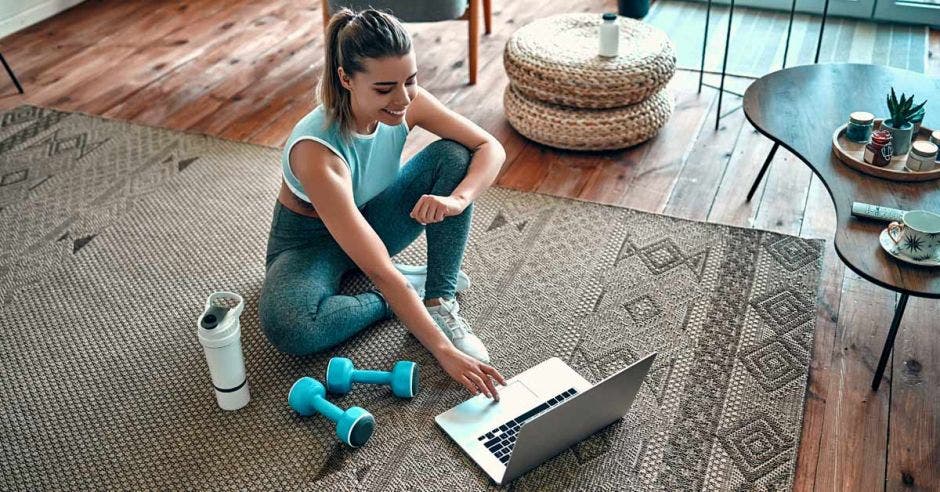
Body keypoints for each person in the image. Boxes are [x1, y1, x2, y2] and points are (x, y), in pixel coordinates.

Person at [258, 8, 507, 400]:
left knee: (453, 158)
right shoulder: (316, 152)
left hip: (372, 217)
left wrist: (458, 200)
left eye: (410, 81)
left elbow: (488, 147)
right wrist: (442, 352)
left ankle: (438, 297)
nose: (403, 98)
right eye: (384, 88)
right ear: (346, 78)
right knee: (291, 325)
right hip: (308, 243)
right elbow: (377, 267)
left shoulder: (407, 102)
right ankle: (397, 298)